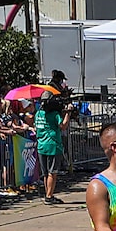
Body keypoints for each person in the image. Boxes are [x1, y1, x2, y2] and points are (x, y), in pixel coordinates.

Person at [34, 71, 73, 202]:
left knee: (46, 173)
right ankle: (49, 196)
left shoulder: (38, 114)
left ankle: (47, 194)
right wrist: (68, 113)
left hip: (41, 146)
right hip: (53, 145)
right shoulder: (54, 115)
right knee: (53, 172)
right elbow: (63, 126)